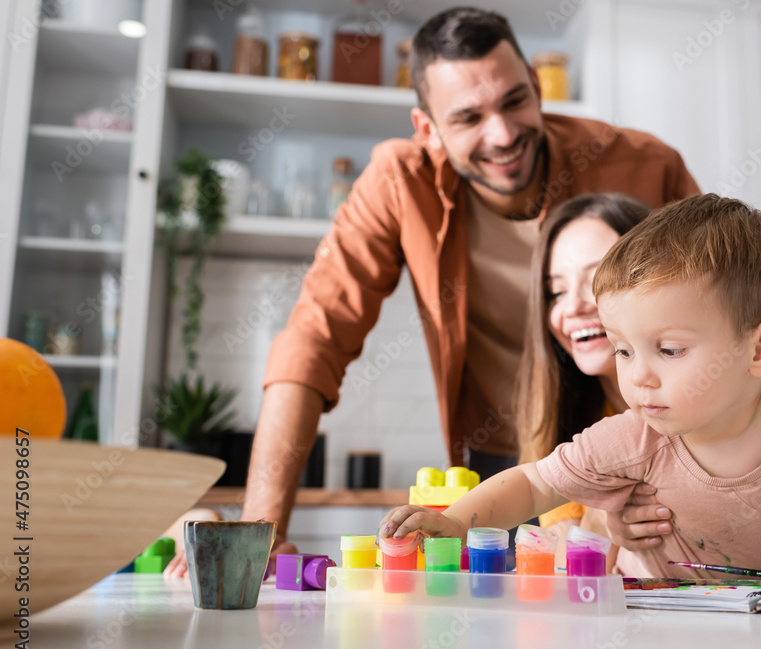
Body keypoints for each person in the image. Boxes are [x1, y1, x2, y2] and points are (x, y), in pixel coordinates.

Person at [164, 7, 698, 577]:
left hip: (645, 444)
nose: (503, 134)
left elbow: (725, 313)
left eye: (515, 101)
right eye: (468, 117)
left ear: (538, 88)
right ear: (428, 129)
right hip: (507, 461)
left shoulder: (644, 166)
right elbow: (312, 342)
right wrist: (263, 531)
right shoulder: (398, 183)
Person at [381, 193, 761, 596]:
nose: (638, 377)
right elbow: (533, 482)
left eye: (670, 350)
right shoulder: (631, 434)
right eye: (625, 351)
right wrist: (455, 522)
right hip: (670, 610)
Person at [515, 193, 658, 569]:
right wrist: (605, 517)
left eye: (598, 280)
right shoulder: (570, 426)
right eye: (556, 292)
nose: (573, 306)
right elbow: (568, 566)